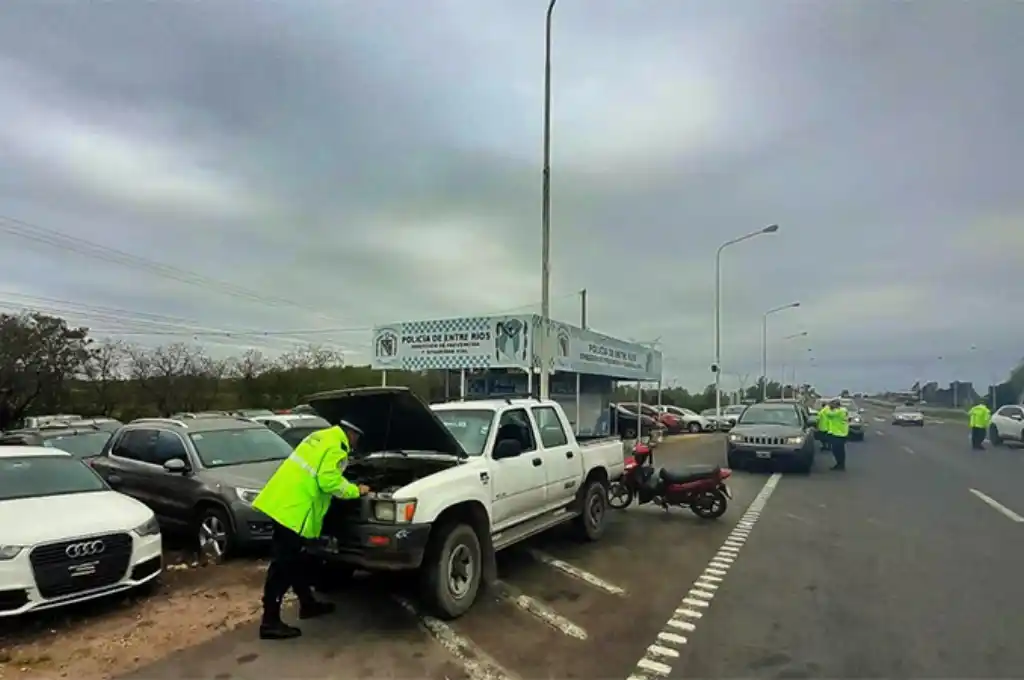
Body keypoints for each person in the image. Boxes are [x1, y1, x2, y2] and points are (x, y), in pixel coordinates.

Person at [252, 419, 371, 640]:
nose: (356, 444)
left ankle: (307, 604)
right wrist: (357, 490)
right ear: (351, 434)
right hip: (296, 511)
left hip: (283, 502)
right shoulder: (337, 447)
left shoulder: (320, 437)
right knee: (283, 567)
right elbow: (329, 482)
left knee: (297, 561)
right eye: (357, 439)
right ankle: (269, 622)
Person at [828, 398, 848, 471]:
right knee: (840, 450)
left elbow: (829, 414)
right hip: (842, 433)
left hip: (838, 434)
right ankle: (841, 464)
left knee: (837, 450)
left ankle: (840, 464)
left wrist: (828, 407)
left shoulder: (838, 412)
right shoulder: (843, 410)